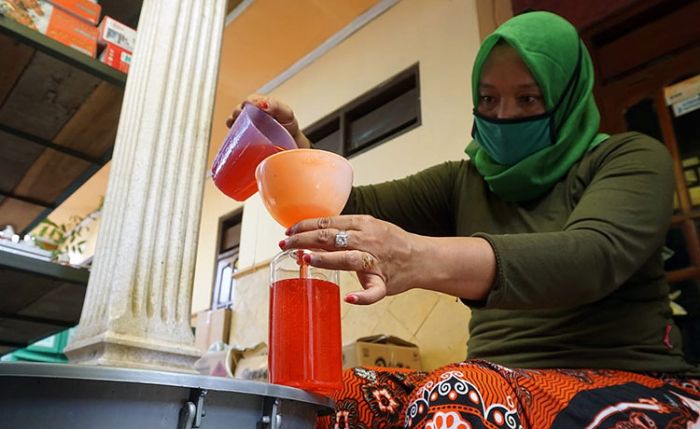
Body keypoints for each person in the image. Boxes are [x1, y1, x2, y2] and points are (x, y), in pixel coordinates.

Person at [228, 11, 700, 428]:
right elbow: (346, 208)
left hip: (635, 379)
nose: (503, 115)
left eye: (529, 100)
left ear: (568, 98)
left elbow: (592, 256)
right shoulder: (465, 181)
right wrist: (293, 151)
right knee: (328, 402)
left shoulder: (631, 158)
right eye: (489, 100)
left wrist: (419, 257)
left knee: (459, 394)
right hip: (492, 382)